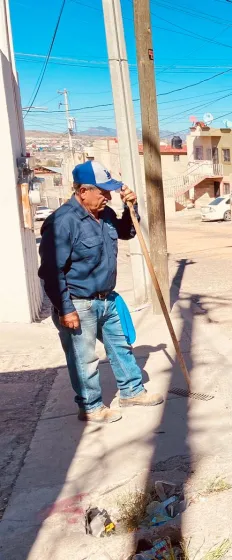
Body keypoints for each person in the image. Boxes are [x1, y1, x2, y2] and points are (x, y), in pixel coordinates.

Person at [39, 161, 164, 424]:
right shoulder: (62, 222)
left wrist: (131, 207)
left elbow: (127, 232)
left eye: (109, 191)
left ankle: (132, 391)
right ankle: (91, 407)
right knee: (85, 360)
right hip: (77, 303)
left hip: (106, 298)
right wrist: (66, 309)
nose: (107, 197)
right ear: (83, 191)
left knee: (120, 346)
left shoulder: (104, 214)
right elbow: (51, 271)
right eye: (102, 192)